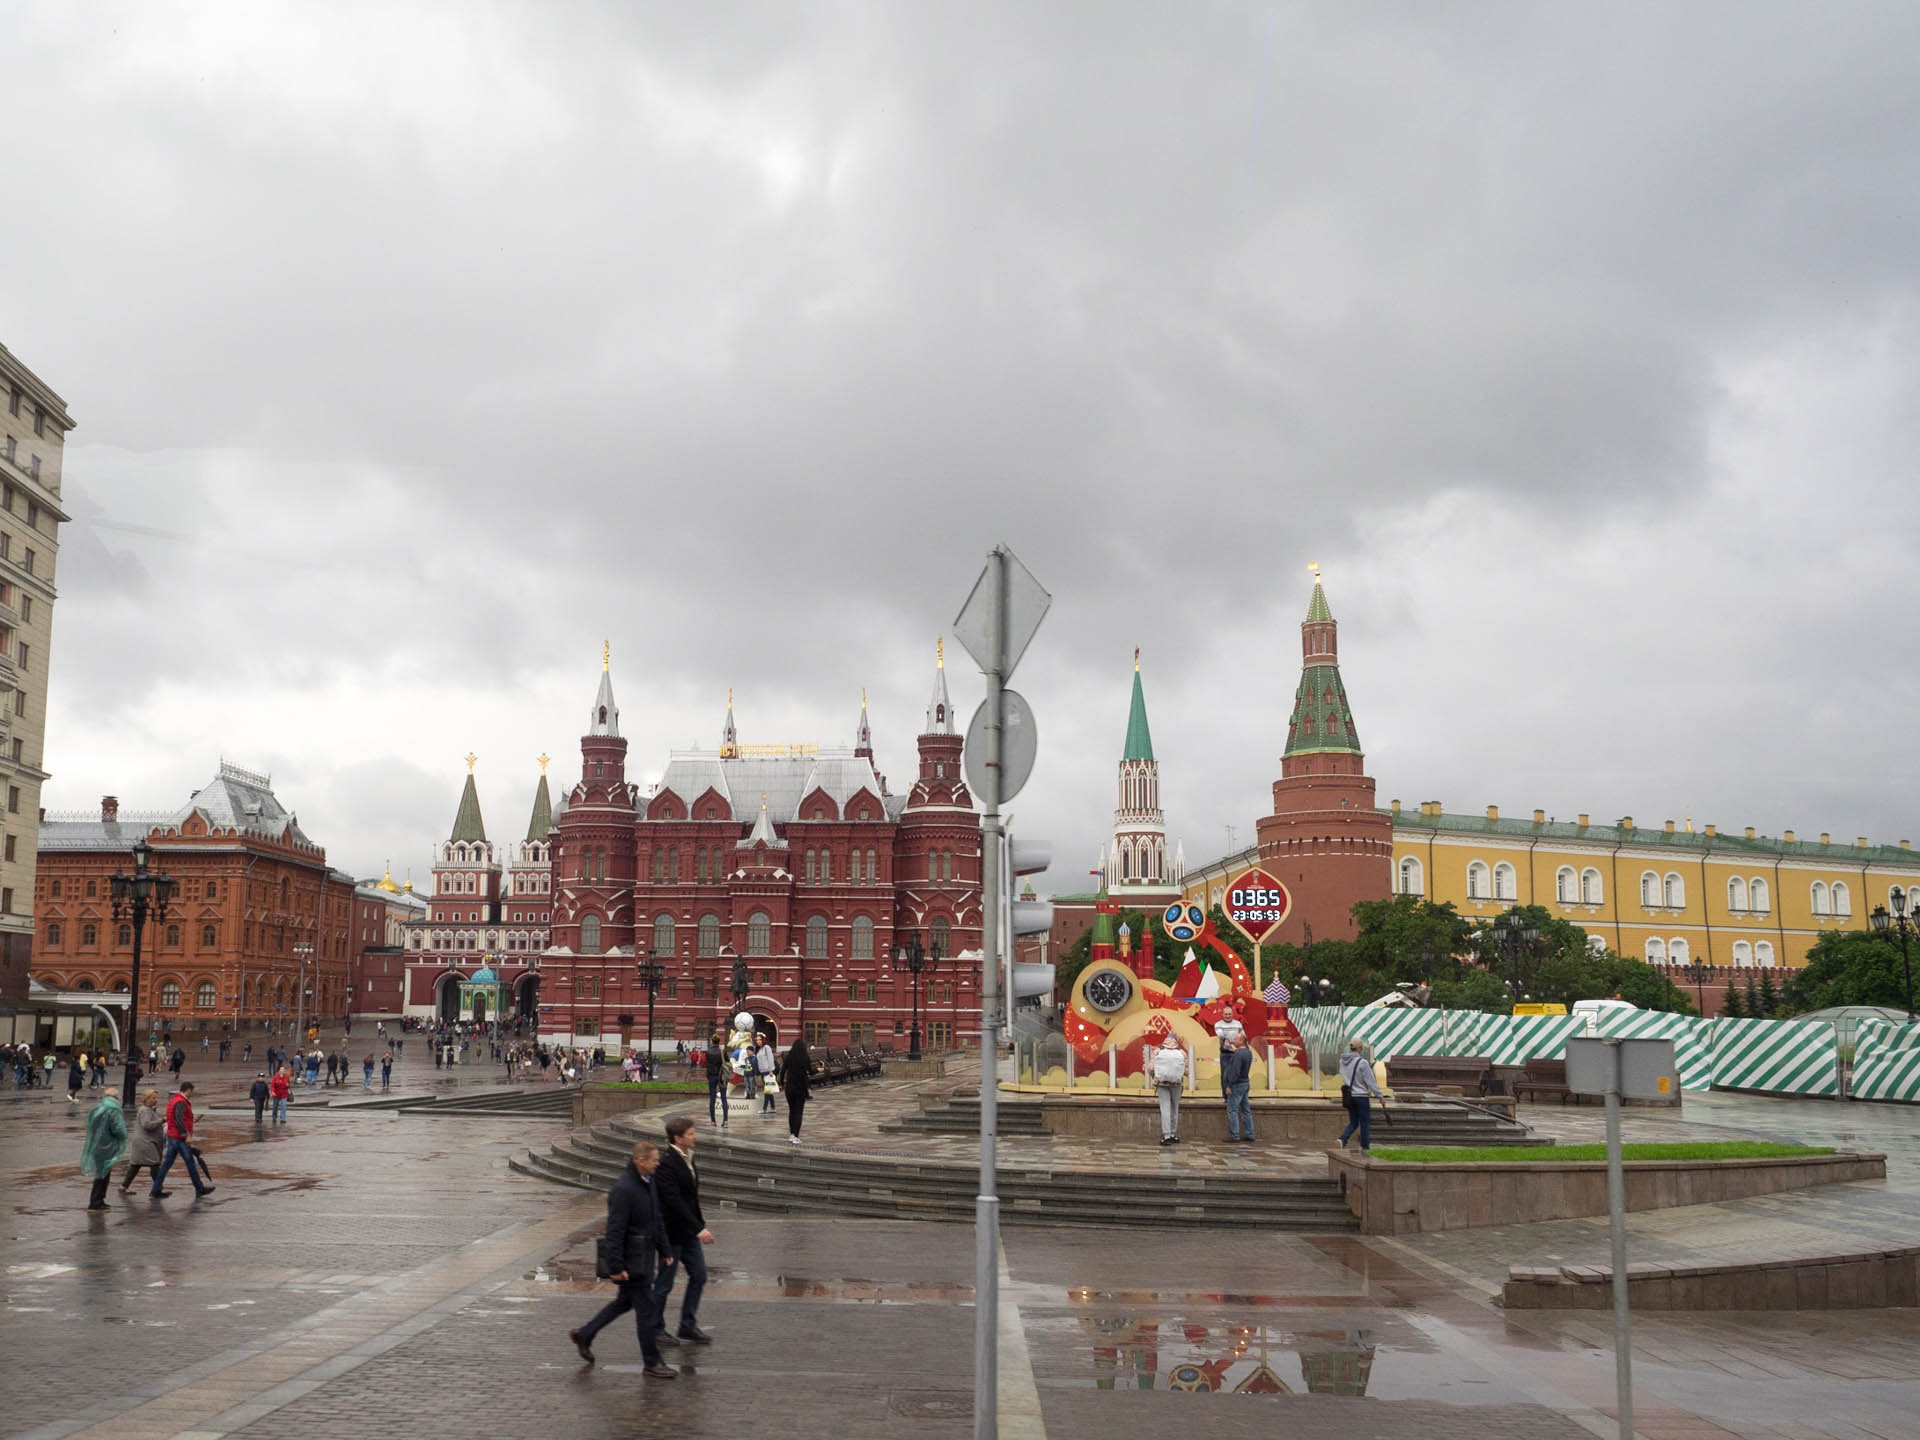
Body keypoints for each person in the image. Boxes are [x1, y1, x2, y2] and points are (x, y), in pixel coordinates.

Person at [567, 1141, 676, 1380]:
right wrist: (616, 1267)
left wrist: (665, 1249)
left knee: (624, 1302)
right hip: (631, 1262)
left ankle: (585, 1334)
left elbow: (656, 1218)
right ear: (640, 1161)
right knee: (647, 1311)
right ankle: (652, 1362)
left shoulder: (649, 1182)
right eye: (654, 1160)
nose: (658, 1164)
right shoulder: (623, 1190)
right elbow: (614, 1231)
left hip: (644, 1257)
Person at [652, 1116, 716, 1347]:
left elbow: (691, 1198)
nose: (694, 1136)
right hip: (671, 1234)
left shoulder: (688, 1157)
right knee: (664, 1283)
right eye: (690, 1134)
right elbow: (674, 1201)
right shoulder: (667, 1163)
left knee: (699, 1275)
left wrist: (698, 1224)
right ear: (678, 1139)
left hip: (688, 1232)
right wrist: (699, 1229)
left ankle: (687, 1326)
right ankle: (656, 1329)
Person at [150, 1081, 214, 1198]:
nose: (192, 1094)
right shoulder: (181, 1102)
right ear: (188, 1090)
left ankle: (156, 1189)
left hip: (173, 1136)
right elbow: (179, 1120)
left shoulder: (175, 1100)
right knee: (190, 1163)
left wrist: (191, 1118)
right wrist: (186, 1135)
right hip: (179, 1138)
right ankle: (199, 1188)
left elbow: (178, 1117)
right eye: (191, 1092)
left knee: (166, 1165)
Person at [80, 1091, 128, 1210]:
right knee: (102, 1175)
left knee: (101, 1173)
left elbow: (89, 1124)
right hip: (107, 1146)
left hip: (96, 1146)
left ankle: (99, 1200)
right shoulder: (113, 1110)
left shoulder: (97, 1108)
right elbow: (118, 1129)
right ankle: (96, 1201)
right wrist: (123, 1137)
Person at [1339, 1040, 1384, 1152]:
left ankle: (1343, 1139)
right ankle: (1365, 1147)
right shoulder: (1362, 1062)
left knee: (1354, 1121)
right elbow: (1370, 1081)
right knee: (1364, 1122)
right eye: (1362, 1048)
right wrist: (1380, 1096)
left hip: (1349, 1096)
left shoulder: (1342, 1061)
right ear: (1359, 1048)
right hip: (1361, 1096)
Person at [121, 1089, 165, 1192]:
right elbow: (147, 1125)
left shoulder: (146, 1109)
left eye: (155, 1098)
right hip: (146, 1142)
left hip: (142, 1141)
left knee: (136, 1164)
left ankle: (124, 1186)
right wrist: (161, 1121)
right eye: (153, 1098)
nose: (155, 1100)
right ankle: (158, 1188)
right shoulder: (145, 1110)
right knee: (154, 1163)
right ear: (147, 1099)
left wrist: (153, 1112)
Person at [1150, 1029, 1188, 1145]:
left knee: (1165, 1109)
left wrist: (1155, 1077)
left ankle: (1166, 1136)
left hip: (1162, 1084)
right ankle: (1173, 1134)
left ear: (1165, 1040)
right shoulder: (1182, 1052)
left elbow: (1150, 1068)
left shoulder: (1158, 1051)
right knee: (1174, 1108)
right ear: (1176, 1041)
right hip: (1176, 1084)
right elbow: (1187, 1071)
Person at [779, 1037, 812, 1145]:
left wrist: (781, 1083)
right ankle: (796, 1136)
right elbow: (810, 1071)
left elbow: (783, 1070)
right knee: (798, 1112)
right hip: (800, 1088)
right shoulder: (805, 1057)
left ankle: (792, 1134)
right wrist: (819, 1069)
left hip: (789, 1088)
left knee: (792, 1111)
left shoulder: (789, 1056)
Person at [1221, 1036, 1255, 1143]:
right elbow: (1242, 1055)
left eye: (1236, 1039)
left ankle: (1234, 1135)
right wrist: (1236, 1051)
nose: (1233, 1041)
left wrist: (1229, 1085)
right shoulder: (1248, 1052)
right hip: (1245, 1083)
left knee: (1232, 1110)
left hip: (1236, 1085)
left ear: (1241, 1041)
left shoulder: (1238, 1055)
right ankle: (1250, 1134)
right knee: (1246, 1110)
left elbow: (1235, 1071)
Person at [704, 1032, 729, 1128]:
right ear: (719, 1042)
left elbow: (706, 1064)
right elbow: (727, 1062)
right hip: (721, 1077)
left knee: (712, 1099)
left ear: (712, 1041)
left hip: (711, 1076)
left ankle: (713, 1121)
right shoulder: (723, 1052)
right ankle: (725, 1121)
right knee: (723, 1098)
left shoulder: (708, 1052)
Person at [755, 1034, 777, 1115]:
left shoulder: (766, 1047)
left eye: (760, 1039)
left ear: (763, 1040)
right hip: (762, 1072)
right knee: (769, 1090)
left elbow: (770, 1058)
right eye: (757, 1040)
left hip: (767, 1072)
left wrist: (771, 1070)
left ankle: (764, 1109)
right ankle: (773, 1108)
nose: (758, 1041)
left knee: (767, 1091)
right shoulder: (759, 1049)